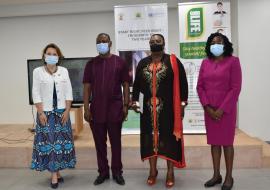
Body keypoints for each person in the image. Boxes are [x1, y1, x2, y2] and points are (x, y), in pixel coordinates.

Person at [131, 34, 188, 188]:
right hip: (148, 110)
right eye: (152, 42)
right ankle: (152, 171)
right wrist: (135, 101)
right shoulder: (143, 63)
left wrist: (182, 105)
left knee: (169, 139)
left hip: (169, 110)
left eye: (158, 41)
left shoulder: (173, 62)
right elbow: (136, 85)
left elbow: (183, 84)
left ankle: (170, 172)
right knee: (150, 140)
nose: (155, 43)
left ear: (163, 43)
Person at [83, 33, 130, 186]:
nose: (101, 44)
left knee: (116, 143)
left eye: (104, 41)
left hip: (115, 108)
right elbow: (87, 87)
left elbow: (126, 84)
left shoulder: (120, 62)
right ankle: (103, 172)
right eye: (98, 42)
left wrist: (125, 105)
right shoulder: (91, 64)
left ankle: (117, 172)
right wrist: (86, 108)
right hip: (96, 109)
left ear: (110, 43)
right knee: (99, 143)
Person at [197, 32, 242, 190]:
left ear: (225, 44)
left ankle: (229, 176)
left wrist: (221, 109)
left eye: (219, 41)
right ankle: (216, 175)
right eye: (213, 42)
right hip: (209, 110)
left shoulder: (233, 62)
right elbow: (200, 87)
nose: (216, 44)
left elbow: (235, 88)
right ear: (210, 46)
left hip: (226, 111)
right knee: (214, 143)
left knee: (227, 143)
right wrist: (208, 107)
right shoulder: (205, 63)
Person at [31, 43, 76, 189]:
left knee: (61, 144)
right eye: (48, 53)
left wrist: (67, 111)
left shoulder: (63, 70)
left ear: (58, 56)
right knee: (50, 143)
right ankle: (54, 175)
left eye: (54, 54)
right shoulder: (38, 71)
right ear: (44, 56)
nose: (51, 56)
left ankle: (57, 171)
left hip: (62, 112)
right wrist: (40, 112)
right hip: (46, 113)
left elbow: (69, 91)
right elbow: (36, 93)